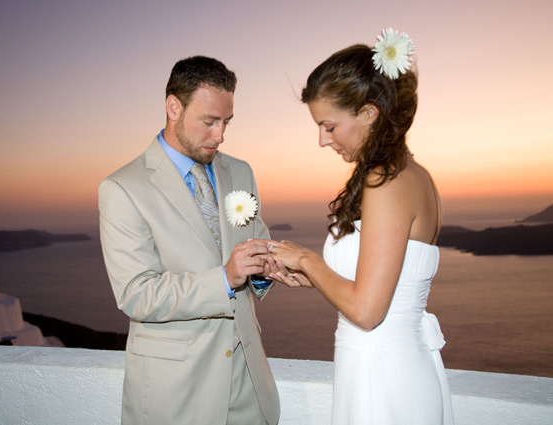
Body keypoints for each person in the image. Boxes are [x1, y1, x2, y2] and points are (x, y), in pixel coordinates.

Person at [264, 29, 454, 424]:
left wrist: (308, 260)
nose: (321, 140)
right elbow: (384, 284)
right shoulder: (417, 177)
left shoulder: (385, 182)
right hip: (394, 366)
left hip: (381, 375)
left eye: (329, 126)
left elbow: (367, 312)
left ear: (369, 113)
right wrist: (316, 277)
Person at [98, 55, 280, 425]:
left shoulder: (240, 170)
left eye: (226, 122)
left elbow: (257, 240)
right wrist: (225, 279)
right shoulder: (121, 188)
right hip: (177, 395)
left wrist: (271, 267)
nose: (220, 135)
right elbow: (136, 294)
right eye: (209, 121)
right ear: (173, 107)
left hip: (249, 388)